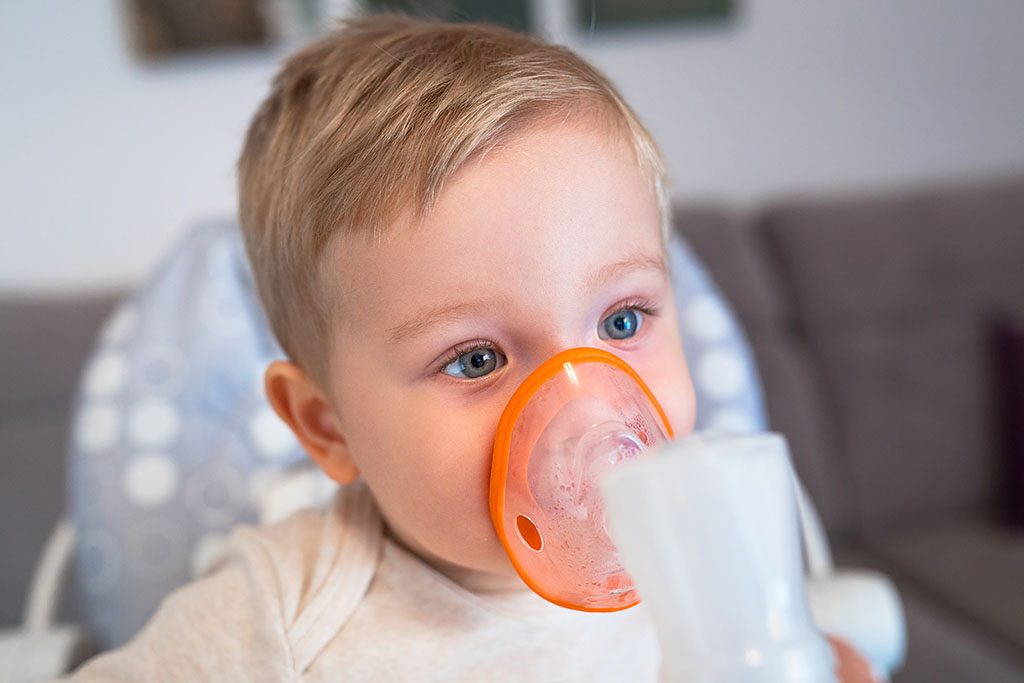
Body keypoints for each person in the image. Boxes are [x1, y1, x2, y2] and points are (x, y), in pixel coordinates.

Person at [65, 13, 876, 681]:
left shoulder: (700, 551)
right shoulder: (279, 613)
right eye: (477, 359)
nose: (587, 404)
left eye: (622, 322)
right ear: (326, 427)